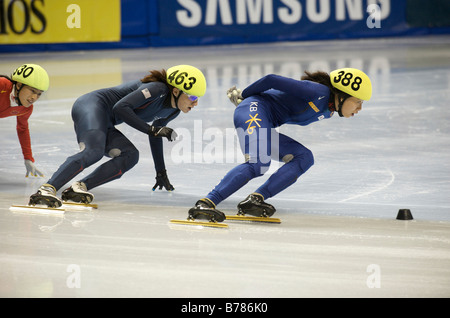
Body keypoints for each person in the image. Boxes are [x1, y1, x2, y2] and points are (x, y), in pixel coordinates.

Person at [188, 68, 372, 222]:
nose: (359, 108)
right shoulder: (318, 92)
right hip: (252, 110)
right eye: (358, 101)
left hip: (263, 121)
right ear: (341, 95)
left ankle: (255, 199)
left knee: (304, 157)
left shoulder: (328, 109)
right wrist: (243, 95)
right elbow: (272, 79)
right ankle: (206, 202)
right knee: (258, 163)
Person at [29, 64, 206, 208]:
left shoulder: (173, 111)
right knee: (94, 151)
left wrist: (161, 171)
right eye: (192, 97)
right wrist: (151, 130)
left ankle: (79, 188)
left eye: (198, 98)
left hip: (105, 120)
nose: (195, 103)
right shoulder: (156, 89)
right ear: (176, 91)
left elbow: (155, 135)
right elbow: (120, 108)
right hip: (91, 105)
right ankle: (47, 188)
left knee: (131, 155)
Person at [1, 64, 49, 177]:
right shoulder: (2, 85)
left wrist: (28, 158)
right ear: (18, 85)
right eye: (32, 91)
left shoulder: (26, 109)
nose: (34, 98)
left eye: (39, 94)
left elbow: (22, 129)